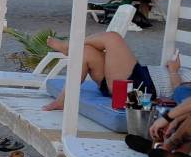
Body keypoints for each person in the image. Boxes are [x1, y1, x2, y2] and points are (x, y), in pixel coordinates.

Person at [42, 32, 191, 111]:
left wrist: (173, 71)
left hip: (136, 93)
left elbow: (182, 95)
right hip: (133, 84)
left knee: (112, 38)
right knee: (86, 52)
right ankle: (63, 100)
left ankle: (70, 47)